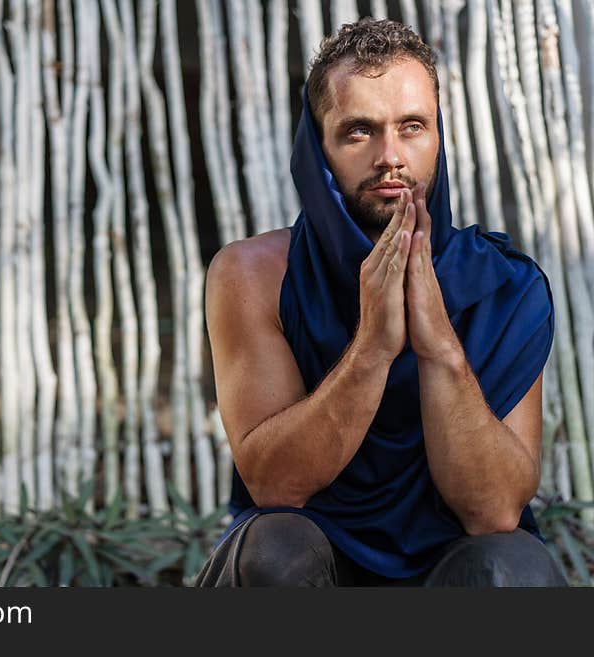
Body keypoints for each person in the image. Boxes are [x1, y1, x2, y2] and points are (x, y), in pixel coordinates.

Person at [196, 18, 567, 587]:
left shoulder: (503, 287)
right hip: (311, 569)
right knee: (274, 550)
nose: (390, 156)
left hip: (453, 574)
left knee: (512, 566)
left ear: (438, 137)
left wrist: (439, 344)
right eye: (358, 131)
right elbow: (276, 487)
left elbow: (493, 511)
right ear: (315, 147)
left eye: (412, 126)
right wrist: (372, 346)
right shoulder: (254, 276)